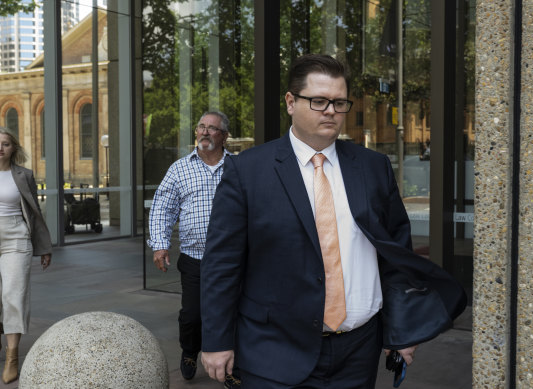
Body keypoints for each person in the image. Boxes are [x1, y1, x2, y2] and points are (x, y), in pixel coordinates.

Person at [200, 54, 466, 388]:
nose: (331, 111)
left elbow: (395, 256)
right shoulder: (247, 171)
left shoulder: (373, 167)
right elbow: (222, 263)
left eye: (340, 103)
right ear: (290, 102)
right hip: (273, 351)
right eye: (320, 100)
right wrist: (216, 340)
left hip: (359, 352)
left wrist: (400, 330)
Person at [147, 111, 240, 388]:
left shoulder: (239, 167)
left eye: (212, 128)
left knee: (233, 314)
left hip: (233, 259)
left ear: (224, 136)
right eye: (201, 126)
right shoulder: (179, 169)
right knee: (192, 315)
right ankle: (190, 351)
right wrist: (160, 245)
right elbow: (163, 208)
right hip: (194, 258)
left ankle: (232, 367)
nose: (205, 132)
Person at [0, 127, 52, 384]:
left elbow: (34, 212)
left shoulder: (23, 175)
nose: (0, 147)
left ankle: (12, 357)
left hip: (16, 239)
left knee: (14, 296)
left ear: (14, 149)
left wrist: (44, 247)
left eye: (6, 144)